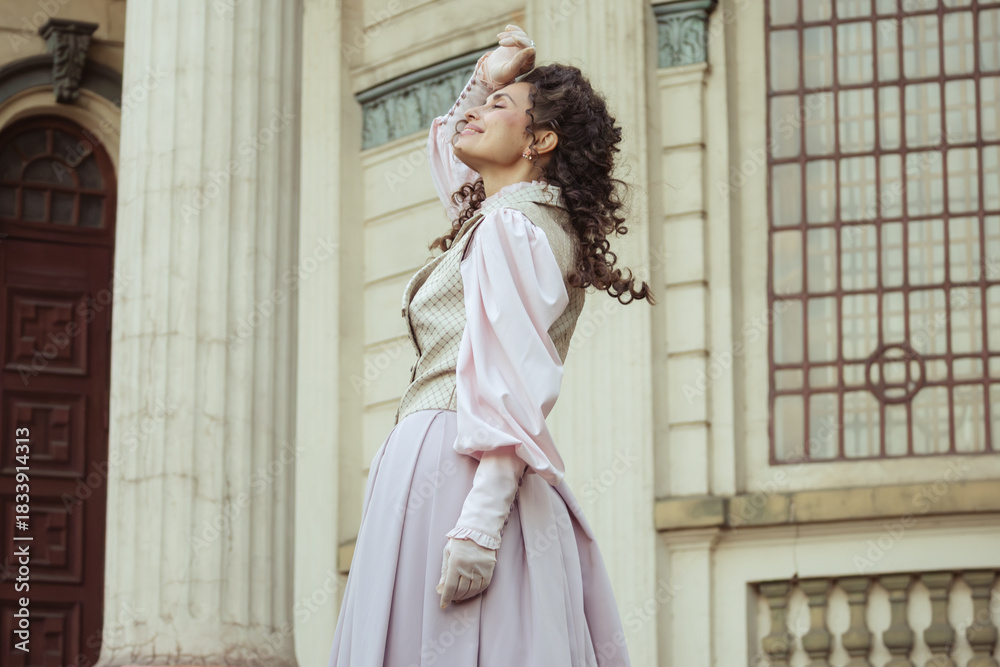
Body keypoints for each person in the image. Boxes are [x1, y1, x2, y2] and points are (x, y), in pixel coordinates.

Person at [328, 24, 654, 667]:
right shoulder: (513, 217)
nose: (474, 112)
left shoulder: (512, 226)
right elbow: (455, 151)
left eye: (500, 107)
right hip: (456, 463)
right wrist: (490, 76)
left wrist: (478, 526)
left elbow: (511, 384)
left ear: (540, 140)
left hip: (460, 466)